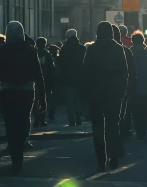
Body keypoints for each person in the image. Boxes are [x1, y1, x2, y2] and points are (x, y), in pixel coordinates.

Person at [0, 21, 46, 171]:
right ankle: (21, 144)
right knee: (23, 118)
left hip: (7, 89)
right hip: (27, 90)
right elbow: (38, 75)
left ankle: (14, 152)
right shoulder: (30, 50)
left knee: (10, 122)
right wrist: (43, 97)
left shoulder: (1, 50)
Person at [82, 21, 128, 172]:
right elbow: (124, 73)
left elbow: (85, 73)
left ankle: (101, 160)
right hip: (114, 94)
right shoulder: (119, 49)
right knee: (112, 127)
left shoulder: (92, 49)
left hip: (96, 94)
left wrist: (87, 94)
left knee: (97, 128)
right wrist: (122, 92)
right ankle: (113, 154)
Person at [130, 31, 147, 140]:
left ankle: (140, 131)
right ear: (143, 41)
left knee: (136, 112)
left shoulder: (129, 54)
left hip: (134, 87)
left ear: (132, 41)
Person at [113, 24, 136, 144]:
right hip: (122, 87)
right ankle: (121, 135)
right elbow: (131, 71)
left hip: (103, 89)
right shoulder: (127, 49)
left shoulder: (94, 49)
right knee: (122, 113)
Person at [58, 29, 86, 126]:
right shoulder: (82, 48)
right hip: (80, 77)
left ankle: (71, 120)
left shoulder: (64, 49)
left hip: (68, 78)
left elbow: (60, 64)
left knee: (70, 100)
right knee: (78, 98)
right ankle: (78, 117)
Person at [34, 38, 55, 127]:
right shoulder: (47, 54)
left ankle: (36, 119)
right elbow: (52, 68)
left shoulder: (34, 53)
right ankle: (42, 119)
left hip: (34, 80)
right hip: (46, 80)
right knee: (44, 100)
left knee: (35, 101)